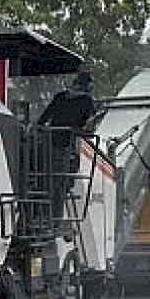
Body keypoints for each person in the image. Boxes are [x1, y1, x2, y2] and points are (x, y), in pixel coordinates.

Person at [37, 72, 97, 215]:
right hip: (67, 146)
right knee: (60, 185)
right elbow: (89, 126)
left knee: (46, 182)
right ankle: (55, 218)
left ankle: (44, 215)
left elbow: (42, 120)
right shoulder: (87, 101)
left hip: (48, 144)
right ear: (88, 86)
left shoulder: (60, 97)